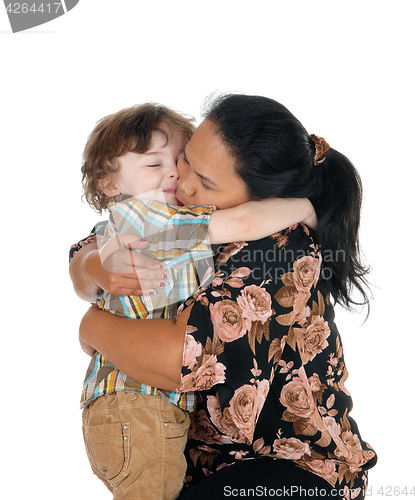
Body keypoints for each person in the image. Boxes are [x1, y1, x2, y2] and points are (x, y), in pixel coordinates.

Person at [72, 94, 377, 499]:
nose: (183, 181)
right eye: (186, 160)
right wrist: (94, 268)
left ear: (264, 199)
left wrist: (92, 324)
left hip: (287, 470)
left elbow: (175, 359)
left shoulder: (279, 246)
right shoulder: (179, 216)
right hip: (201, 465)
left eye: (207, 181)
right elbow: (92, 246)